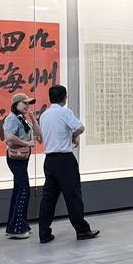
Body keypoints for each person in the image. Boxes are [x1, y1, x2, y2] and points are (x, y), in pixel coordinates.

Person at [37, 85, 100, 243]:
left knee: (48, 198)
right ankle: (82, 230)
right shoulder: (65, 112)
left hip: (49, 160)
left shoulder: (44, 115)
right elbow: (80, 127)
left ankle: (44, 233)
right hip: (65, 160)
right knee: (73, 196)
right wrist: (73, 135)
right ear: (64, 98)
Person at [2, 93, 41, 239]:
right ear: (15, 104)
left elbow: (39, 133)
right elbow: (9, 138)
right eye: (24, 103)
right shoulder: (12, 118)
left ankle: (14, 225)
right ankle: (17, 229)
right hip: (16, 159)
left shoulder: (22, 119)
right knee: (24, 190)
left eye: (28, 103)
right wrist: (27, 144)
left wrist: (33, 119)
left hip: (22, 158)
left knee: (18, 190)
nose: (27, 106)